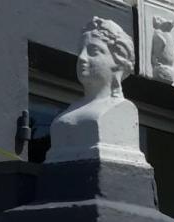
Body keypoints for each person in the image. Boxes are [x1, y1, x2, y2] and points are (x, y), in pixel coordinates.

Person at [46, 17, 147, 166]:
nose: (82, 58)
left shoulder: (123, 110)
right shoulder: (70, 110)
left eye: (93, 51)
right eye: (81, 51)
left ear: (118, 61)